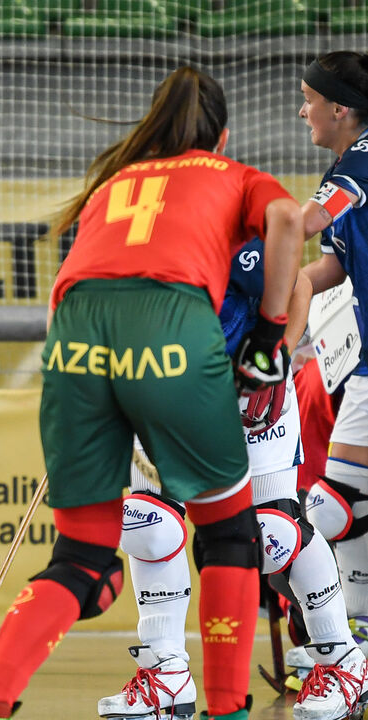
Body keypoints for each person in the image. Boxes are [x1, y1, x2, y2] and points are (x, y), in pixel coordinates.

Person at [0, 66, 304, 720]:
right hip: (168, 323)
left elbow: (69, 285)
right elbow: (287, 218)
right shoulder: (232, 175)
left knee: (83, 561)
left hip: (74, 336)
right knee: (230, 535)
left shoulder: (116, 179)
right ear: (221, 137)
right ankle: (227, 710)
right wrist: (267, 339)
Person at [96, 242, 368, 720]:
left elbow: (298, 284)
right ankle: (165, 673)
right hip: (164, 393)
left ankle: (343, 661)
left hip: (249, 392)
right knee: (149, 525)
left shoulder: (224, 226)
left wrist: (279, 360)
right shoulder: (122, 231)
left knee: (273, 535)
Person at [297, 50, 368, 683]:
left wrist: (222, 246)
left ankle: (341, 643)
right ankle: (354, 634)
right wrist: (273, 294)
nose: (303, 111)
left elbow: (306, 222)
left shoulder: (361, 162)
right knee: (344, 502)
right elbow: (333, 265)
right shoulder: (349, 165)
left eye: (310, 99)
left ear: (340, 108)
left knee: (329, 506)